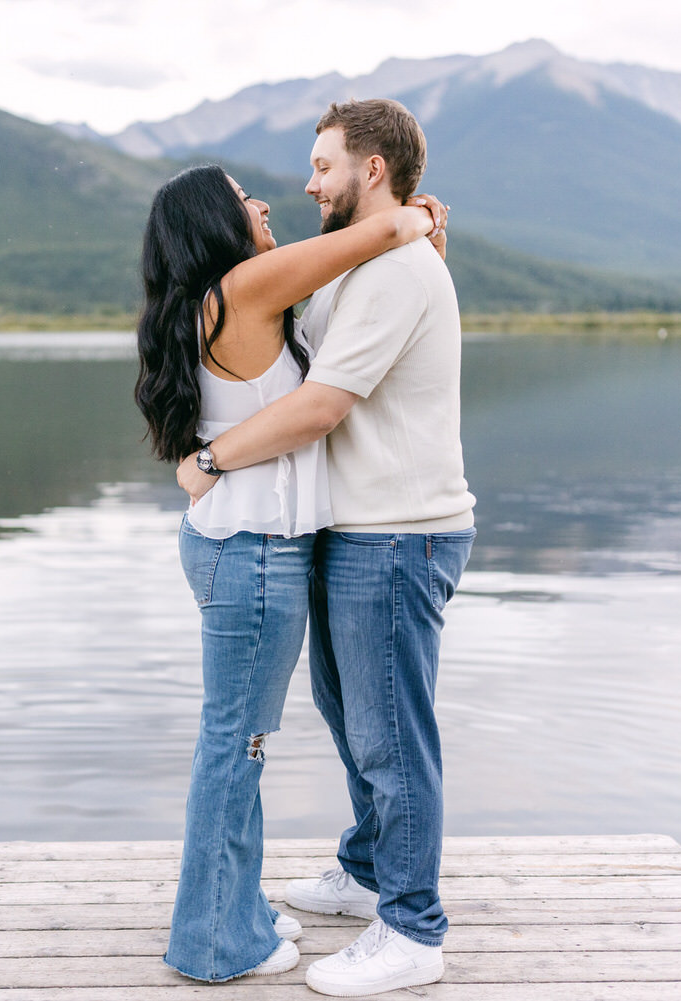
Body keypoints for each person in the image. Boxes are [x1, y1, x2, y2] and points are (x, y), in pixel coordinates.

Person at [175, 98, 475, 997]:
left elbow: (322, 403)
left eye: (322, 166)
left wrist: (210, 459)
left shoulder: (393, 269)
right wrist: (415, 226)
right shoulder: (367, 258)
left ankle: (412, 926)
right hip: (356, 530)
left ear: (370, 170)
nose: (306, 184)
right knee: (354, 720)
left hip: (400, 531)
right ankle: (367, 867)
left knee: (391, 734)